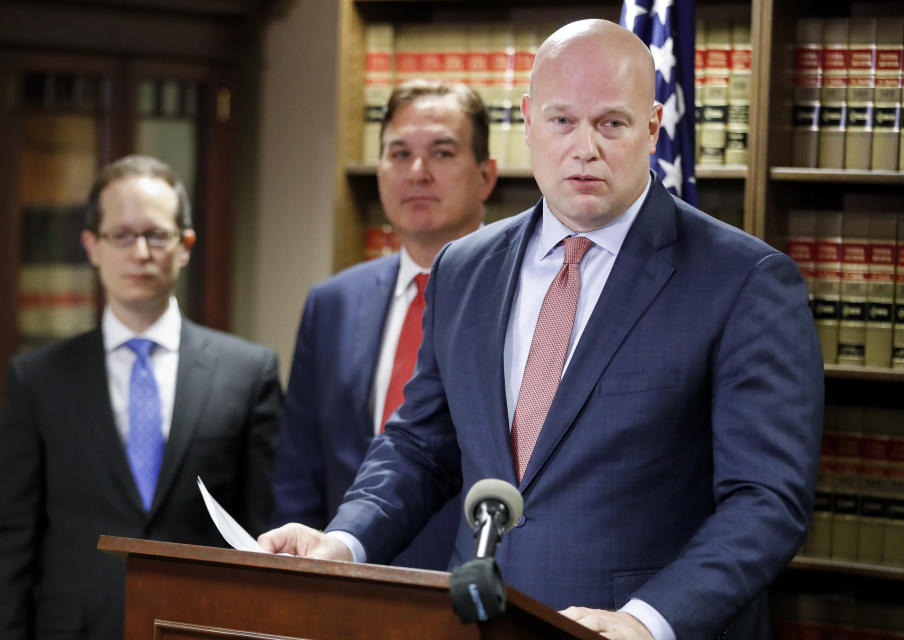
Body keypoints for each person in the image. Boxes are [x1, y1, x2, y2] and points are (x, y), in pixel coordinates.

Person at [260, 19, 823, 640]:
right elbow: (421, 446)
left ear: (654, 126)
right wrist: (345, 540)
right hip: (478, 623)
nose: (586, 147)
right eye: (562, 121)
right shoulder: (465, 267)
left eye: (611, 123)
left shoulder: (744, 280)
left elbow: (766, 501)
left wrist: (646, 621)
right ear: (527, 120)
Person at [0, 155, 282, 640]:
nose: (141, 252)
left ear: (186, 245)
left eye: (157, 235)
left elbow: (261, 528)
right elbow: (15, 537)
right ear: (92, 246)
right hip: (73, 627)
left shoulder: (248, 372)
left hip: (201, 624)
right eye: (121, 236)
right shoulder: (38, 378)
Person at [270, 80, 497, 569]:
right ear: (378, 173)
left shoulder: (525, 298)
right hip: (346, 583)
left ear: (486, 176)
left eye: (441, 152)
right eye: (399, 153)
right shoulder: (332, 303)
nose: (417, 172)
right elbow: (299, 472)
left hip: (477, 585)